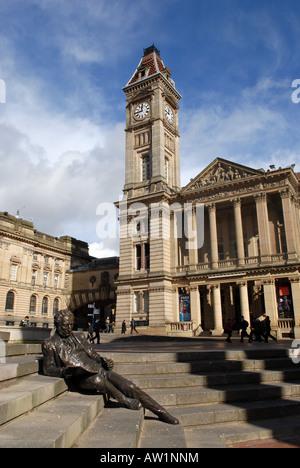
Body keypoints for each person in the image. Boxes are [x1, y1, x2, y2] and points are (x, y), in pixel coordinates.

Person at [42, 309, 178, 425]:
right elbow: (48, 369)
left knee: (129, 385)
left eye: (71, 325)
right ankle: (125, 401)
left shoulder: (79, 337)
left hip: (96, 369)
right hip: (79, 377)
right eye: (66, 325)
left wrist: (104, 361)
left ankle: (161, 412)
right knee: (98, 381)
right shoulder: (50, 344)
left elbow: (93, 354)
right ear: (58, 324)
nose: (69, 328)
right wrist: (64, 372)